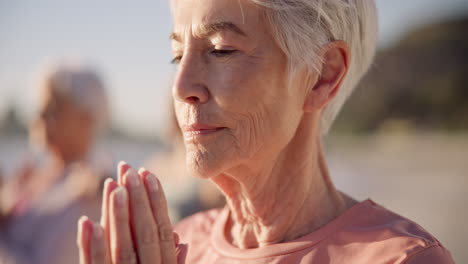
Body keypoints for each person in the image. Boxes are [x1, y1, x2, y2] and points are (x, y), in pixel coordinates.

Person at [77, 0, 455, 263]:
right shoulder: (178, 244)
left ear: (322, 75)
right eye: (178, 55)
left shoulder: (403, 258)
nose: (180, 86)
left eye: (221, 50)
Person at [0, 61, 111, 264]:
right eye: (39, 108)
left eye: (53, 108)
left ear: (86, 118)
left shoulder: (90, 190)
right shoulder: (31, 176)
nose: (39, 116)